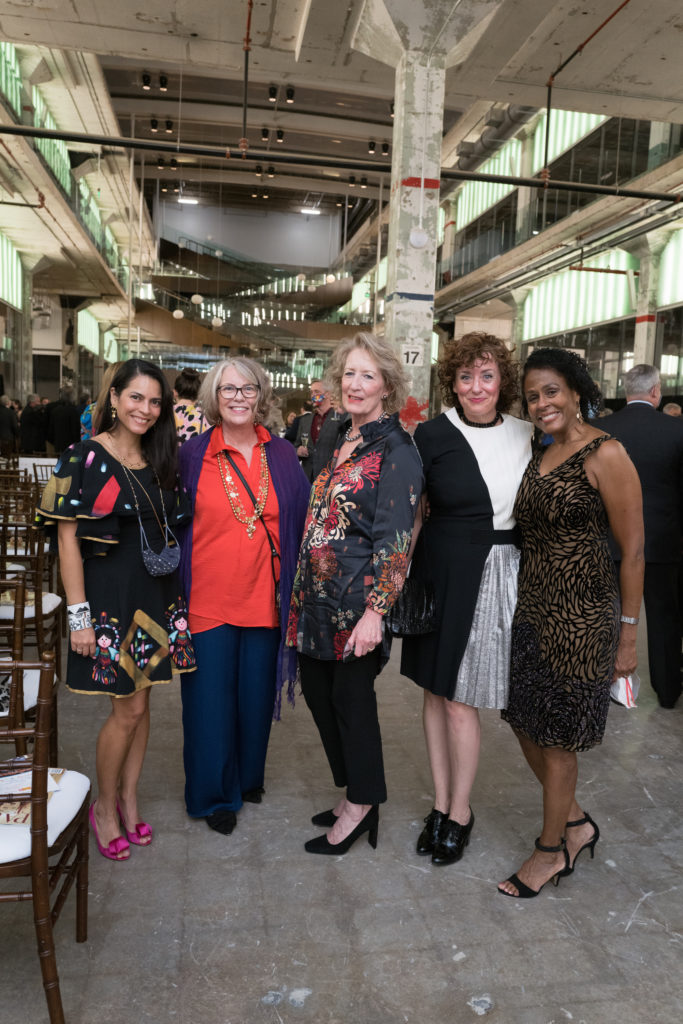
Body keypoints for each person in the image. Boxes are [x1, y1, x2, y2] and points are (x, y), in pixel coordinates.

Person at [36, 359, 196, 861]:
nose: (145, 410)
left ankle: (129, 796)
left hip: (154, 597)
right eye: (136, 398)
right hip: (107, 598)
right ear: (114, 398)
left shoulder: (160, 458)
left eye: (154, 402)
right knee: (125, 709)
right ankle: (104, 807)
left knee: (142, 701)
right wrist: (78, 617)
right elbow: (66, 544)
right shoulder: (82, 458)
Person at [498, 348, 644, 899]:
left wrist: (628, 633)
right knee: (522, 720)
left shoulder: (607, 453)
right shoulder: (543, 453)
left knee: (558, 741)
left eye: (551, 391)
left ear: (576, 390)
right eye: (533, 396)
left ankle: (551, 850)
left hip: (583, 620)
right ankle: (578, 823)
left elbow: (633, 552)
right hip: (533, 609)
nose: (541, 403)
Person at [288, 332, 423, 855]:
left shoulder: (397, 450)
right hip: (317, 600)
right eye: (349, 373)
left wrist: (376, 614)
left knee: (351, 702)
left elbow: (397, 538)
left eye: (368, 375)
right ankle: (353, 793)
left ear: (386, 386)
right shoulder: (341, 434)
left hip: (357, 603)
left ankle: (363, 804)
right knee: (322, 698)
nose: (356, 384)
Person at [401, 333, 534, 865]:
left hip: (495, 574)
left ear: (502, 382)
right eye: (464, 377)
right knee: (434, 693)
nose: (475, 387)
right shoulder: (430, 435)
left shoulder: (529, 435)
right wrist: (396, 580)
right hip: (438, 571)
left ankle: (460, 811)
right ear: (450, 383)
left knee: (461, 700)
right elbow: (414, 513)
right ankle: (440, 804)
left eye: (486, 376)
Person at [177, 357, 309, 836]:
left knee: (254, 700)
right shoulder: (192, 454)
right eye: (227, 389)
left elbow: (301, 523)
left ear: (260, 395)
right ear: (214, 396)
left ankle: (248, 777)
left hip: (264, 602)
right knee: (210, 704)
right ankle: (214, 795)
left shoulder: (283, 455)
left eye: (247, 389)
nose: (237, 397)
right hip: (207, 601)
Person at [604, 366, 683, 709]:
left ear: (625, 392)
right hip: (661, 542)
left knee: (606, 615)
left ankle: (603, 687)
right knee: (665, 618)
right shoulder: (676, 430)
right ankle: (667, 692)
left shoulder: (602, 429)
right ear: (656, 391)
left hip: (609, 543)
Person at [294, 379, 349, 481]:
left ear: (327, 394)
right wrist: (297, 450)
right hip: (307, 479)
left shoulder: (341, 418)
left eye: (317, 392)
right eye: (311, 392)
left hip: (330, 478)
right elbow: (296, 445)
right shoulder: (305, 420)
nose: (313, 395)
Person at [174, 367, 209, 445]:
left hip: (167, 456)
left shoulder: (163, 413)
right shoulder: (205, 416)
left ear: (175, 392)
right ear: (198, 394)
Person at [45, 386, 81, 455]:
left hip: (58, 447)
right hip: (71, 448)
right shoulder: (74, 412)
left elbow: (50, 431)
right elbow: (75, 432)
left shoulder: (55, 411)